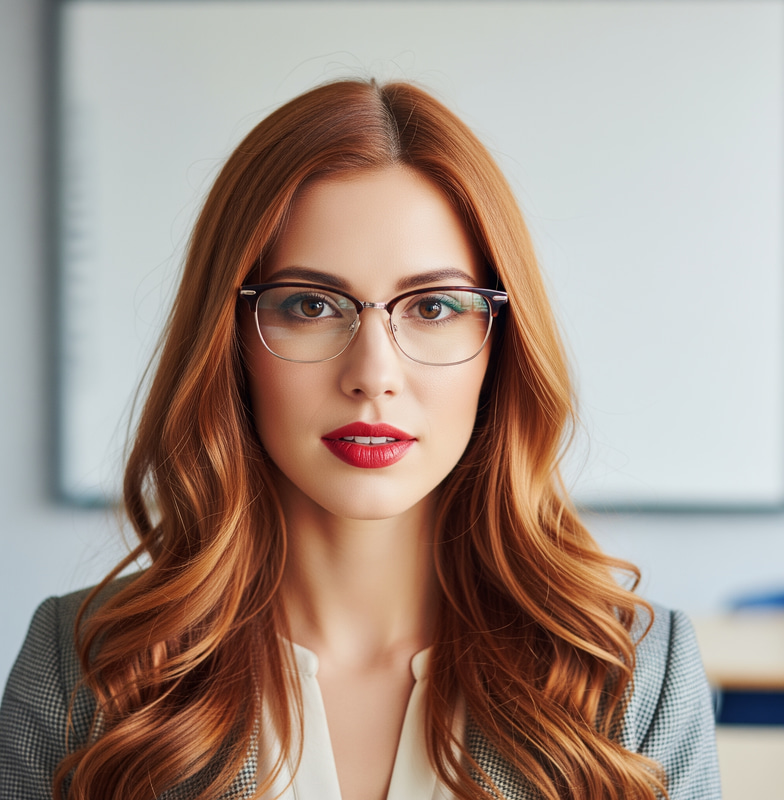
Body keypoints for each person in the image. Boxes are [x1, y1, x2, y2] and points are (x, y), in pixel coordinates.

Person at [0, 79, 720, 800]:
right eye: (310, 305)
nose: (373, 375)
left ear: (500, 344)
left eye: (434, 306)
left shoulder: (634, 676)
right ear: (229, 343)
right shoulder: (81, 667)